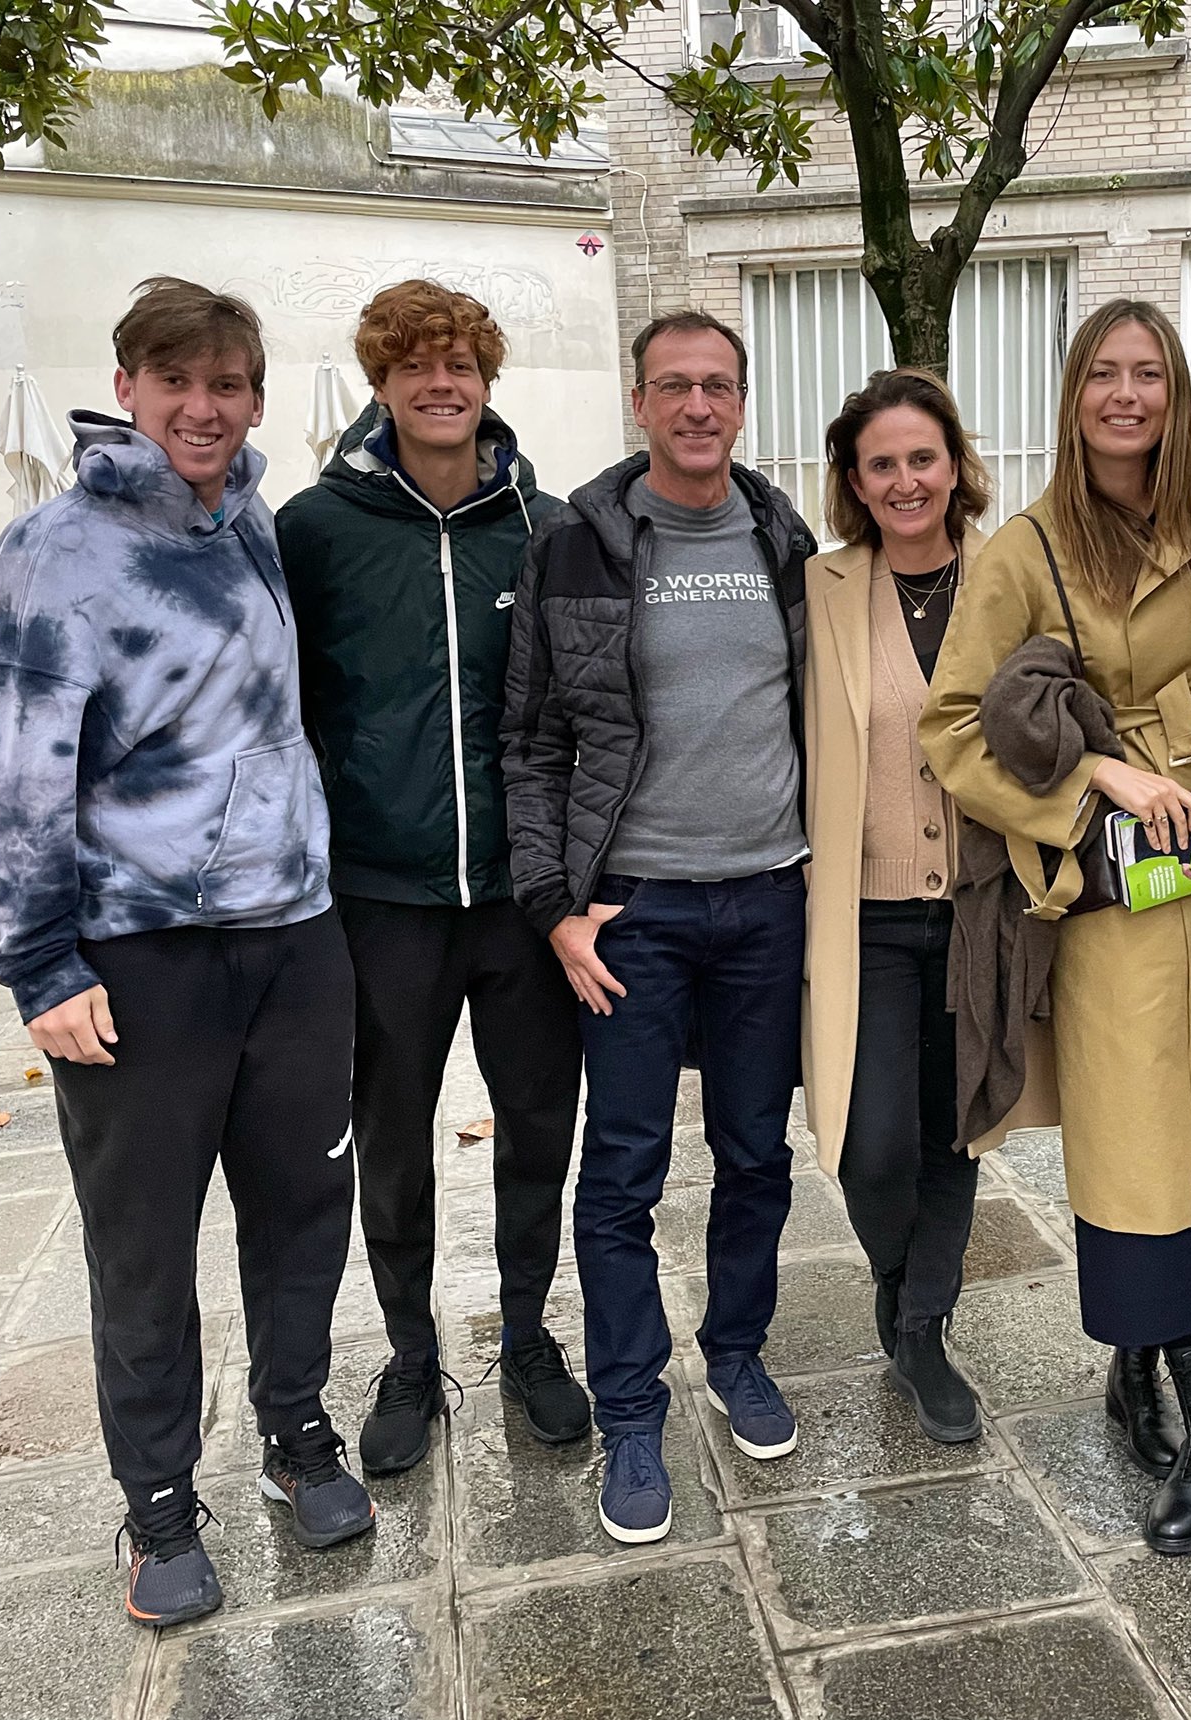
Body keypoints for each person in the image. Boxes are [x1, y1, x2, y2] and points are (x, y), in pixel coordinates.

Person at [0, 278, 373, 1630]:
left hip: (295, 945)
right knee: (144, 1249)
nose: (206, 409)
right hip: (142, 964)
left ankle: (297, 1432)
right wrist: (40, 970)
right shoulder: (55, 550)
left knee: (306, 1216)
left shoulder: (248, 519)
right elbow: (11, 774)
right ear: (128, 385)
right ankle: (156, 1505)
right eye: (178, 381)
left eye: (232, 384)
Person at [920, 298, 1191, 1556]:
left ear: (1176, 389)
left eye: (1147, 373)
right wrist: (1097, 775)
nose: (1126, 396)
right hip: (1114, 898)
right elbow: (951, 728)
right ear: (1072, 390)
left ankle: (1138, 1371)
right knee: (1148, 1161)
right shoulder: (1028, 547)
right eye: (1103, 372)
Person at [502, 310, 815, 1546]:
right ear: (640, 401)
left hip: (765, 902)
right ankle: (630, 1410)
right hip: (634, 909)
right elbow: (529, 740)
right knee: (622, 1173)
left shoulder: (781, 534)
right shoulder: (574, 541)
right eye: (675, 386)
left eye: (718, 386)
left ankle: (734, 1353)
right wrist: (554, 909)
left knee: (756, 1155)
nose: (697, 406)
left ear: (740, 402)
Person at [278, 281, 588, 1472]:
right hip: (381, 899)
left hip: (521, 897)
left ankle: (523, 1335)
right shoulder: (316, 528)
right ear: (380, 382)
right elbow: (290, 708)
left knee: (534, 1131)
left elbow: (580, 708)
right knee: (390, 1138)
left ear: (486, 377)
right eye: (413, 365)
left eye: (457, 362)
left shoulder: (547, 526)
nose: (438, 382)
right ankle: (410, 1354)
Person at [802, 369, 994, 1444]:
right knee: (869, 1141)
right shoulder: (823, 586)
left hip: (974, 910)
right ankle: (897, 1277)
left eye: (922, 457)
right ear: (855, 480)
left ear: (954, 465)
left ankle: (922, 1326)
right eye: (882, 463)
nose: (905, 479)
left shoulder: (1005, 577)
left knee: (953, 1130)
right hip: (863, 913)